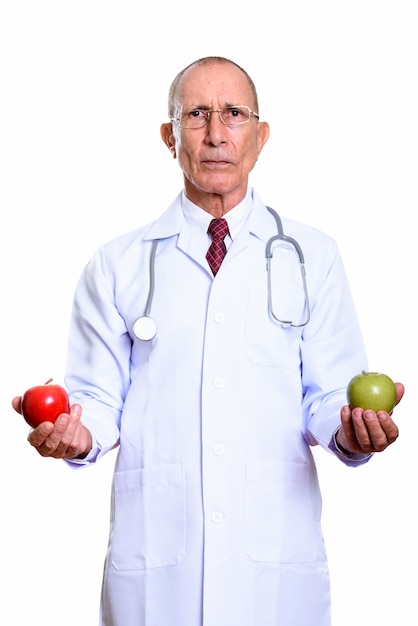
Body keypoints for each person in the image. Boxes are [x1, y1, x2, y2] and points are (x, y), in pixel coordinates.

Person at [13, 56, 403, 626]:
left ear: (261, 136)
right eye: (196, 114)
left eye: (234, 114)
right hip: (158, 573)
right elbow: (96, 402)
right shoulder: (117, 265)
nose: (216, 133)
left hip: (273, 572)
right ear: (169, 136)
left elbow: (327, 397)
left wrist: (350, 430)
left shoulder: (314, 257)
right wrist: (74, 435)